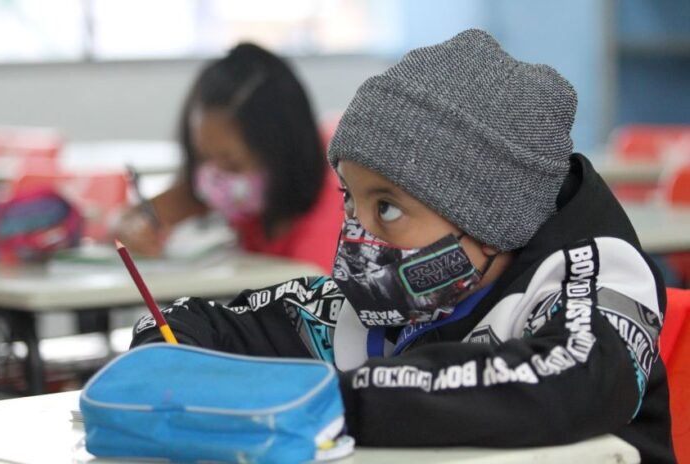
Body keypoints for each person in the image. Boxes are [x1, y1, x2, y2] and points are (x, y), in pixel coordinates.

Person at [130, 30, 675, 462]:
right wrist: (166, 348)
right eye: (351, 202)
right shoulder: (381, 296)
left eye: (386, 208)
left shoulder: (597, 274)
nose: (358, 234)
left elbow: (572, 379)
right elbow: (218, 326)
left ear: (487, 217)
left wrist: (333, 400)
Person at [114, 43, 344, 272]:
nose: (214, 177)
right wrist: (131, 226)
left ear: (281, 153)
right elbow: (140, 218)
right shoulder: (233, 189)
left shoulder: (331, 223)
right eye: (203, 158)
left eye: (232, 163)